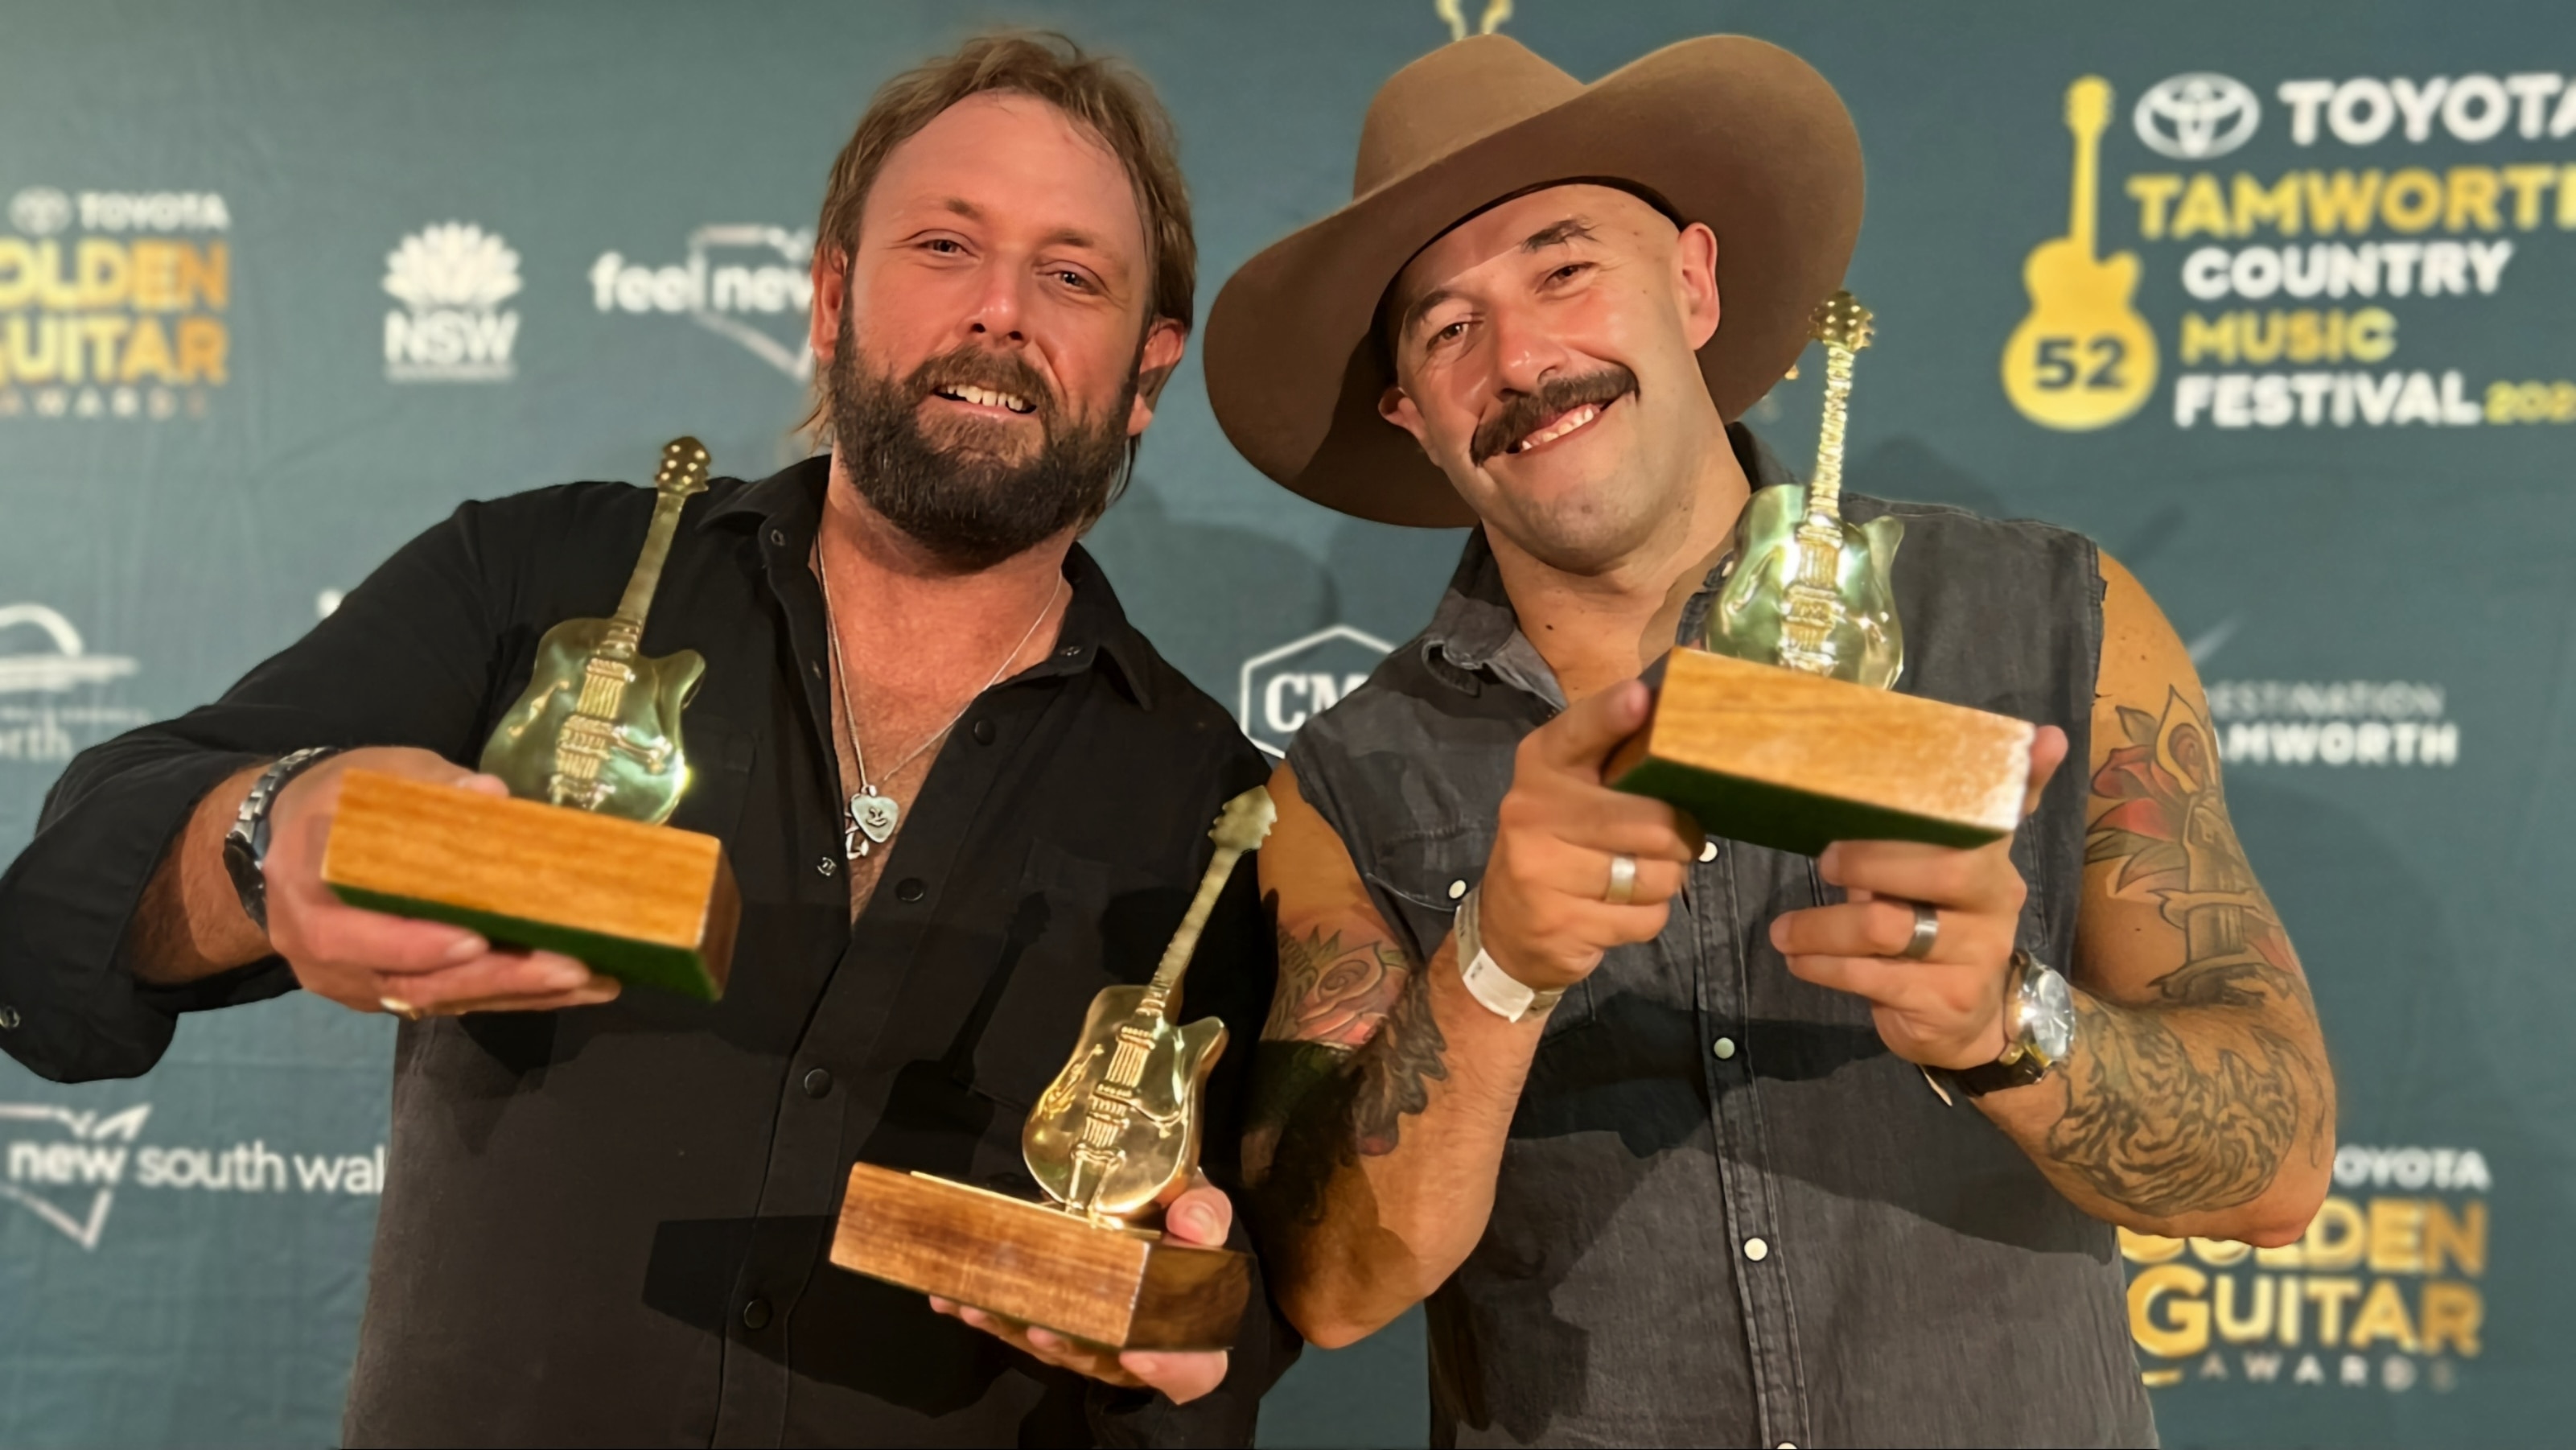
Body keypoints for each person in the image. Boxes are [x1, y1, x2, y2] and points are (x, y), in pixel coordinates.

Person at [0, 32, 1292, 1448]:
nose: (1000, 309)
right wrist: (272, 830)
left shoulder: (1211, 800)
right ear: (831, 296)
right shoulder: (534, 579)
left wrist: (1188, 1324)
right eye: (944, 245)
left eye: (1072, 275)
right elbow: (77, 893)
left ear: (1147, 368)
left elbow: (1236, 1312)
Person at [1203, 35, 2335, 1448]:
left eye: (1565, 270)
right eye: (1446, 330)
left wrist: (2005, 1023)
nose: (1522, 359)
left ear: (1692, 282)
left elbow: (2280, 1168)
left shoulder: (2051, 618)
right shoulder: (1343, 779)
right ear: (1410, 416)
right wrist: (1490, 967)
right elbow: (1329, 1285)